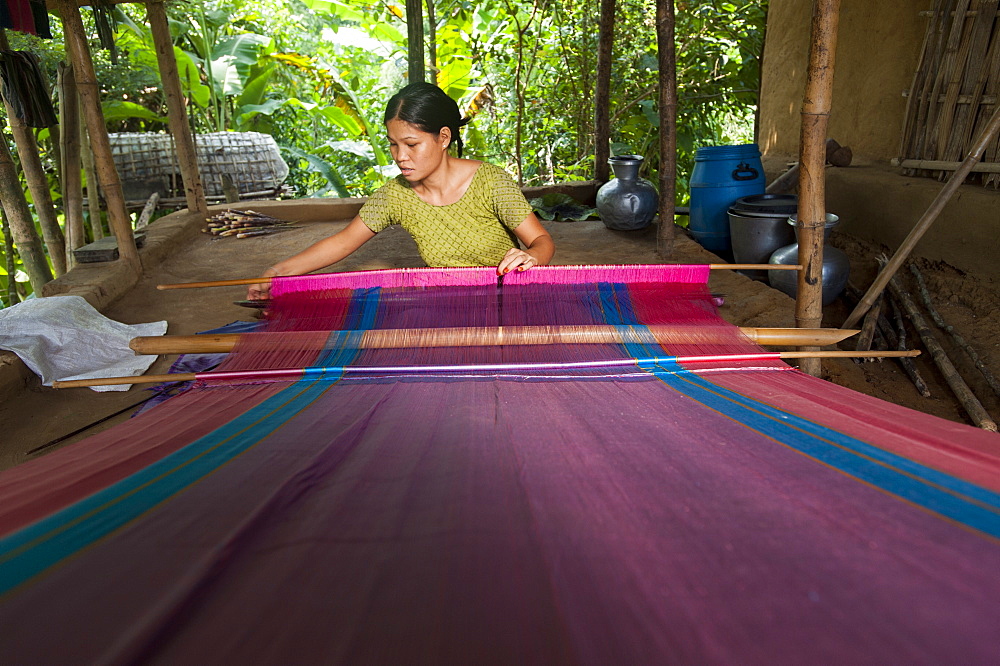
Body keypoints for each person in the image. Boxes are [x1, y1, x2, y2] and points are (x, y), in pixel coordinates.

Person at [248, 82, 554, 299]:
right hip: (449, 302)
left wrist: (531, 258)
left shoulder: (490, 182)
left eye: (411, 144)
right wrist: (278, 271)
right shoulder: (395, 196)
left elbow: (541, 241)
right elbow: (342, 243)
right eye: (393, 145)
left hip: (508, 298)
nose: (399, 156)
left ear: (443, 138)